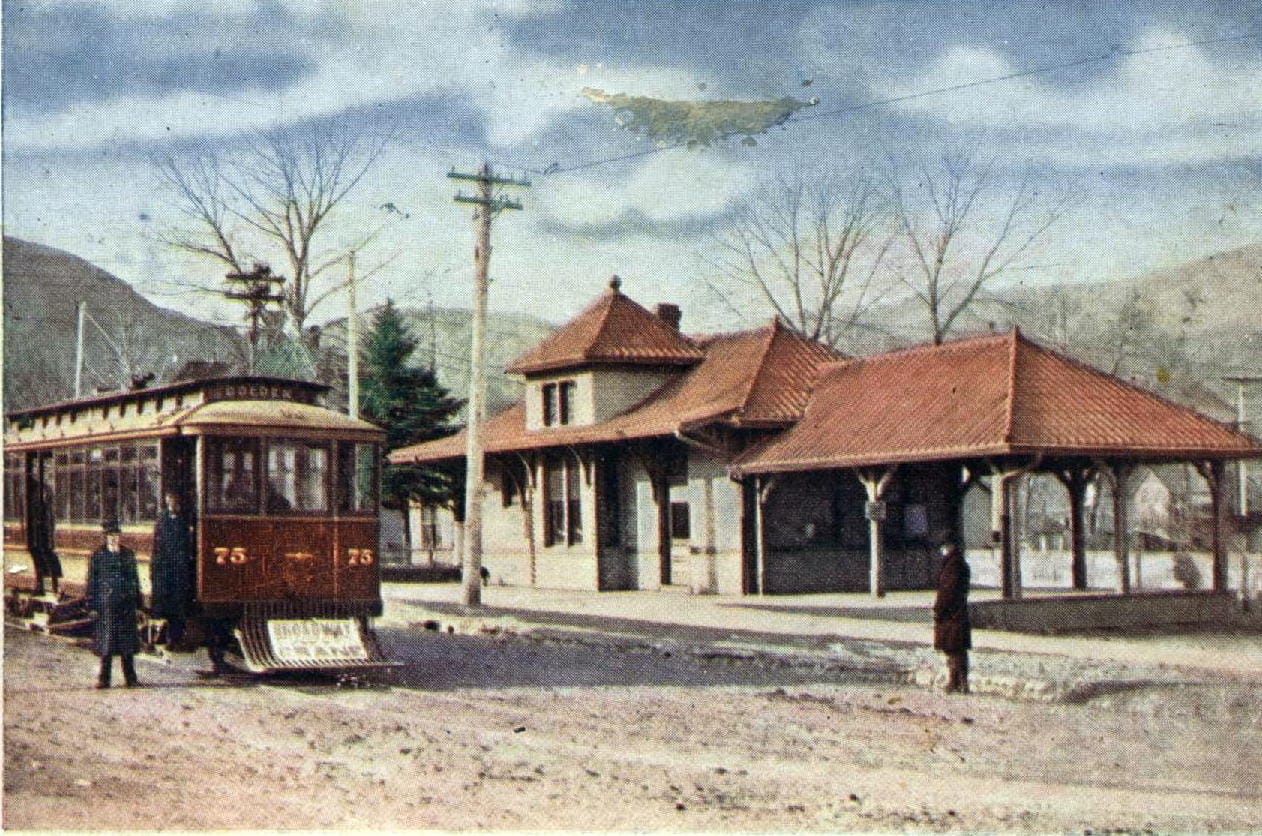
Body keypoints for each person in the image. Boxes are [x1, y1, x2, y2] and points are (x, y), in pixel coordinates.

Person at [86, 520, 143, 689]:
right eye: (110, 535)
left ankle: (131, 678)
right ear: (105, 537)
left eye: (116, 535)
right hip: (107, 606)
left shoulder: (128, 555)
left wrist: (138, 605)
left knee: (127, 645)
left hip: (126, 605)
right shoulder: (98, 556)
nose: (113, 538)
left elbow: (135, 580)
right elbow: (92, 582)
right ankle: (104, 679)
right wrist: (92, 605)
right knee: (107, 644)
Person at [150, 492, 195, 647]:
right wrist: (155, 567)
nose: (172, 505)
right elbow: (157, 544)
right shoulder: (162, 519)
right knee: (165, 604)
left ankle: (175, 638)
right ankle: (165, 637)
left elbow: (187, 544)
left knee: (178, 605)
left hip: (179, 568)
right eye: (170, 502)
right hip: (165, 568)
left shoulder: (184, 520)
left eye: (174, 502)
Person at [933, 541, 971, 694]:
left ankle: (957, 682)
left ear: (950, 547)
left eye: (944, 546)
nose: (942, 550)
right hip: (957, 612)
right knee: (957, 649)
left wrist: (938, 609)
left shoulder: (952, 565)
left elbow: (947, 591)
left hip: (950, 614)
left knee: (953, 648)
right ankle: (959, 682)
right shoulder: (959, 563)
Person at [25, 480, 62, 596]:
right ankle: (40, 586)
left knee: (48, 555)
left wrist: (49, 535)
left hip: (44, 531)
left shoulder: (44, 489)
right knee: (37, 557)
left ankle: (55, 585)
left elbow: (49, 514)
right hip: (34, 531)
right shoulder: (31, 489)